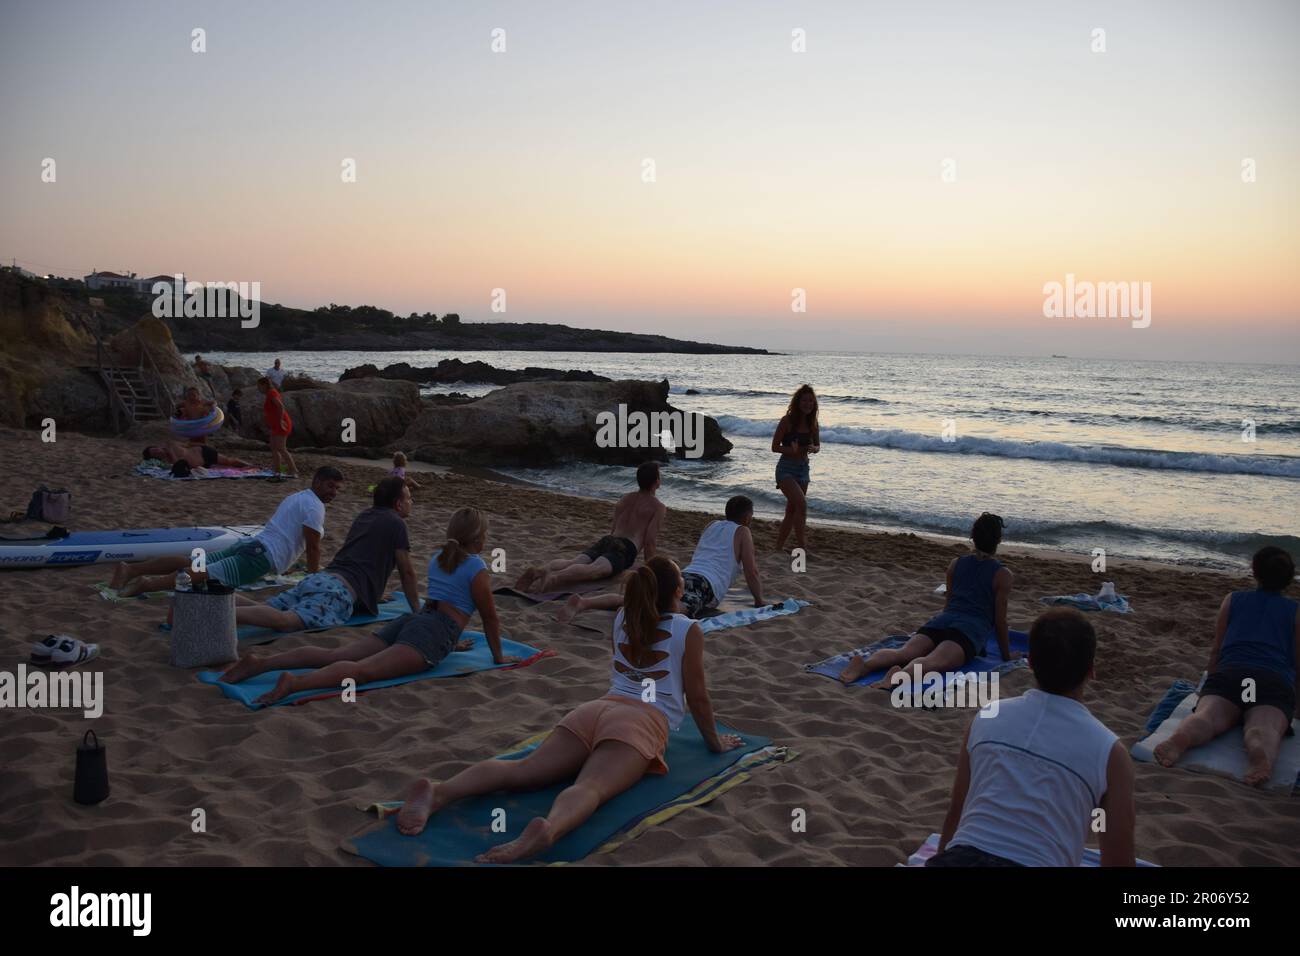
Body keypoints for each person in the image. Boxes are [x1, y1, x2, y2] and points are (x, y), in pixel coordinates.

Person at [393, 555, 743, 863]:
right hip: (640, 723)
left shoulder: (623, 617)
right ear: (678, 592)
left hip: (597, 709)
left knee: (524, 769)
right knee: (591, 787)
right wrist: (714, 742)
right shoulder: (688, 629)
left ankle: (439, 792)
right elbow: (698, 697)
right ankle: (549, 828)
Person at [221, 499, 518, 706]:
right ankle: (294, 683)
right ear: (478, 538)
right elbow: (490, 619)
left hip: (414, 622)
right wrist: (498, 658)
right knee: (363, 671)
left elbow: (443, 604)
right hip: (431, 632)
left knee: (337, 653)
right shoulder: (477, 568)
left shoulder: (440, 559)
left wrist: (451, 643)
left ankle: (263, 663)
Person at [926, 607, 1135, 867]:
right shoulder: (1110, 752)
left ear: (1030, 662)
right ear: (1091, 670)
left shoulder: (988, 716)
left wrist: (940, 857)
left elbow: (957, 812)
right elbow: (1118, 858)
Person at [1153, 546, 1299, 786]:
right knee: (1264, 728)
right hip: (1271, 680)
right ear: (1288, 578)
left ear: (1255, 572)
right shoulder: (1295, 611)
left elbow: (1216, 650)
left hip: (1231, 674)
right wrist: (1297, 708)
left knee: (1207, 717)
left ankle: (1181, 738)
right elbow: (1298, 664)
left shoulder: (1233, 600)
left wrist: (1207, 685)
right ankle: (1260, 758)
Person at [839, 513, 1017, 684]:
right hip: (968, 630)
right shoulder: (1002, 575)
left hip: (943, 620)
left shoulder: (956, 564)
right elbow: (999, 621)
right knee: (934, 661)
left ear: (973, 536)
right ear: (998, 540)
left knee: (904, 652)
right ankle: (899, 676)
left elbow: (949, 603)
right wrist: (1006, 656)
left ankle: (866, 665)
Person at [109, 466, 342, 597]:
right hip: (259, 558)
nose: (334, 492)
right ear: (317, 481)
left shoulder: (299, 496)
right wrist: (312, 578)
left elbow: (288, 534)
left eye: (337, 488)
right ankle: (146, 584)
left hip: (251, 545)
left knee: (194, 562)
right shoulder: (315, 507)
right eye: (330, 486)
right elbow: (313, 547)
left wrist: (288, 562)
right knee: (204, 573)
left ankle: (132, 569)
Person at [557, 495, 766, 623]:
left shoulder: (711, 525)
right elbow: (751, 570)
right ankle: (634, 613)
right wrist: (758, 601)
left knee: (651, 597)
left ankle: (584, 602)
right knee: (675, 611)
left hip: (685, 574)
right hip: (705, 583)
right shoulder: (743, 532)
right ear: (747, 517)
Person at [514, 461, 666, 594]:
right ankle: (553, 578)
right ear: (656, 481)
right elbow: (649, 542)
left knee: (574, 562)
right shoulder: (657, 507)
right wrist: (651, 572)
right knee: (594, 570)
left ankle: (542, 570)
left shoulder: (625, 498)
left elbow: (614, 528)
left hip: (608, 540)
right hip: (625, 548)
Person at [772, 384, 820, 552]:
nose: (808, 404)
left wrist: (814, 449)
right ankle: (802, 547)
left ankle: (778, 548)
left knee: (792, 510)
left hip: (803, 469)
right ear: (798, 401)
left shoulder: (813, 423)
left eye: (811, 401)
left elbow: (818, 446)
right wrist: (790, 450)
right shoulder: (787, 421)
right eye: (805, 400)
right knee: (802, 505)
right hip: (786, 468)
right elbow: (774, 446)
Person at [257, 375, 297, 478]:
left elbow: (281, 407)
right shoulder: (269, 394)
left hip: (281, 424)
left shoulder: (272, 393)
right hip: (275, 425)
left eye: (259, 386)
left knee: (281, 448)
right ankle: (277, 469)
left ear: (265, 385)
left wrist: (280, 422)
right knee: (274, 448)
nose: (258, 389)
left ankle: (293, 470)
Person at [143, 442, 254, 471]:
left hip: (201, 453)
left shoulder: (171, 444)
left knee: (229, 461)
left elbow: (188, 444)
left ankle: (253, 466)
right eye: (154, 453)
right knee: (227, 465)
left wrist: (203, 445)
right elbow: (178, 466)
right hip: (202, 465)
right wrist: (170, 453)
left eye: (155, 449)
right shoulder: (166, 461)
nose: (157, 451)